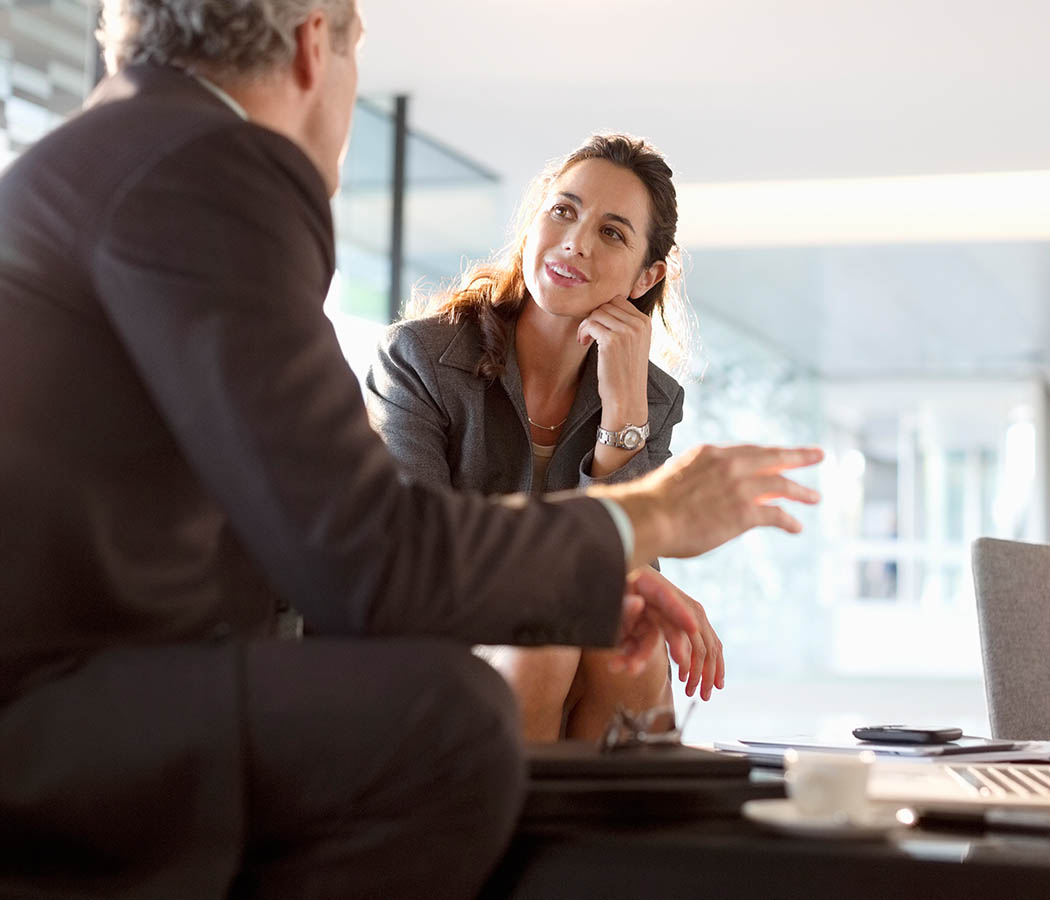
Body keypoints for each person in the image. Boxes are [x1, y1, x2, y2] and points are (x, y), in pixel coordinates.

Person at [0, 1, 823, 898]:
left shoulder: (126, 148)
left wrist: (591, 564)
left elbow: (309, 524)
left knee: (606, 657)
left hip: (94, 677)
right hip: (51, 714)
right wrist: (650, 512)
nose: (578, 244)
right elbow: (368, 557)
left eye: (613, 234)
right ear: (318, 46)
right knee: (449, 721)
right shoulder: (205, 167)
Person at [367, 132, 722, 742]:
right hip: (437, 640)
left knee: (626, 637)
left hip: (569, 659)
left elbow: (626, 570)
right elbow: (416, 556)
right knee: (552, 633)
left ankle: (619, 835)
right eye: (563, 210)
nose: (575, 241)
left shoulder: (654, 400)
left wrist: (624, 416)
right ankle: (512, 832)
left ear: (647, 276)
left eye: (612, 232)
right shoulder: (420, 358)